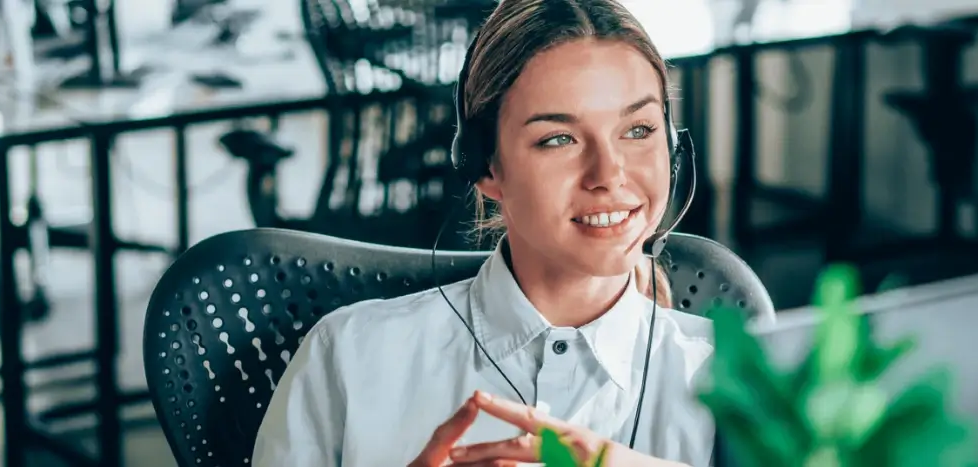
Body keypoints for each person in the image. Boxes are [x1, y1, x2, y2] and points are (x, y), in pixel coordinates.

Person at [253, 0, 714, 465]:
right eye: (559, 139)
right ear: (484, 166)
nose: (608, 174)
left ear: (673, 145)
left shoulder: (737, 385)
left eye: (638, 130)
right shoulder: (349, 358)